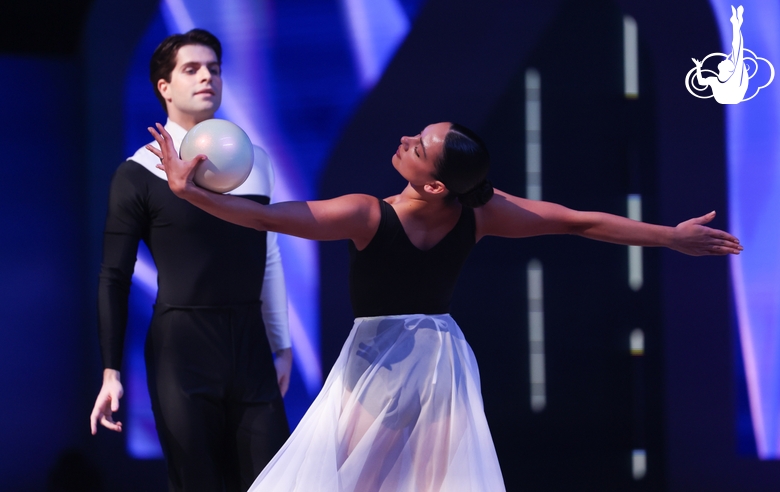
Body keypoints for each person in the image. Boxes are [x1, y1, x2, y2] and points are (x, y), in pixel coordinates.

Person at [148, 120, 742, 491]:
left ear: (434, 184)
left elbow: (266, 216)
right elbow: (582, 223)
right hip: (435, 358)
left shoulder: (368, 212)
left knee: (363, 477)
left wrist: (188, 191)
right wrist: (668, 236)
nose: (405, 140)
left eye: (419, 147)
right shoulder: (478, 210)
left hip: (399, 362)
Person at [89, 29, 292, 492]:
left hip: (250, 346)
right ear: (165, 86)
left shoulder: (256, 160)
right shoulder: (139, 171)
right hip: (182, 350)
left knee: (275, 481)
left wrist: (281, 343)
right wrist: (110, 371)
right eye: (192, 69)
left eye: (214, 69)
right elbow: (114, 276)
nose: (207, 77)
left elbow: (270, 251)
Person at [692, 5, 748, 104]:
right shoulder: (714, 80)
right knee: (737, 52)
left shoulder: (733, 78)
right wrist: (698, 67)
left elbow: (737, 48)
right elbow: (701, 82)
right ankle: (736, 24)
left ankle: (736, 24)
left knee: (737, 50)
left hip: (733, 95)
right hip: (728, 97)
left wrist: (736, 26)